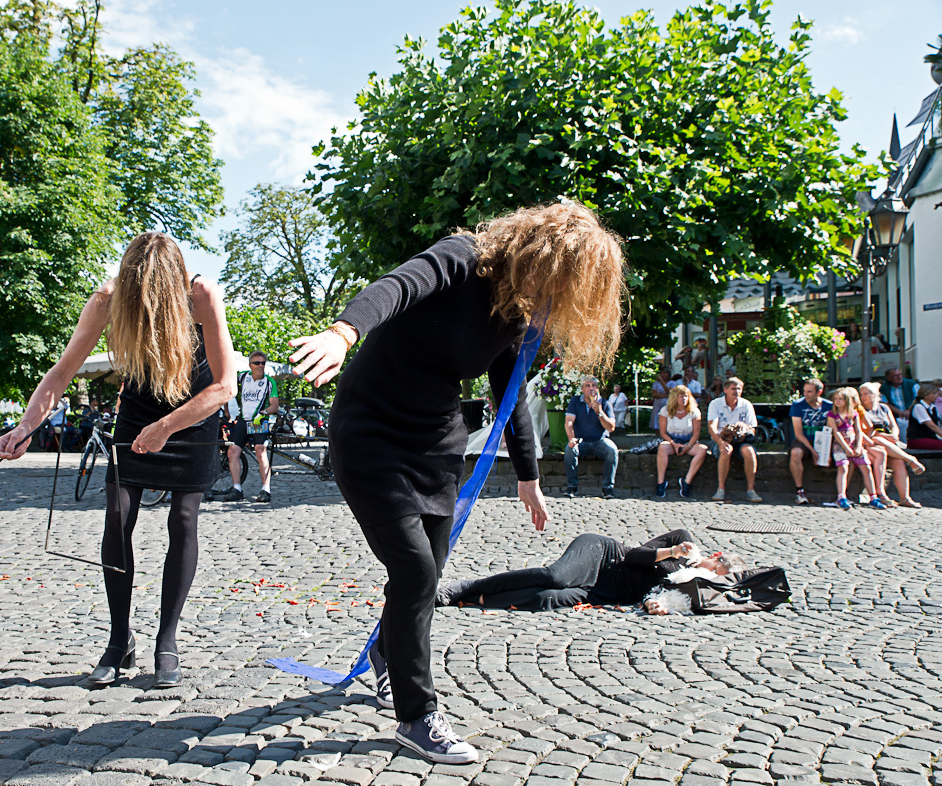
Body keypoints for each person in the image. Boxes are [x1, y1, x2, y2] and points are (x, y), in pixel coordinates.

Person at [288, 202, 625, 764]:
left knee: (427, 573)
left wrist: (528, 477)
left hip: (435, 447)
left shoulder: (515, 314)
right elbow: (396, 286)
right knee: (415, 570)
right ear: (543, 258)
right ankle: (417, 717)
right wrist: (344, 332)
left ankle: (389, 655)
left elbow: (510, 395)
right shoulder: (463, 257)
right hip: (371, 433)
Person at [0, 232, 236, 689]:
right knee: (117, 516)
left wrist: (168, 427)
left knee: (184, 519)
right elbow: (63, 371)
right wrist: (25, 426)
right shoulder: (107, 300)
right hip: (138, 412)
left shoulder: (201, 295)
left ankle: (167, 640)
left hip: (193, 413)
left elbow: (225, 386)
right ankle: (118, 638)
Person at [435, 528, 744, 612]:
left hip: (604, 593)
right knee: (555, 577)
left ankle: (470, 600)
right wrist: (674, 553)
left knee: (545, 599)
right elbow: (634, 556)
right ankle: (466, 586)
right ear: (715, 556)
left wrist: (657, 604)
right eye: (715, 569)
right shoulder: (684, 542)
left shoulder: (694, 587)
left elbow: (656, 597)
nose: (710, 576)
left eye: (716, 578)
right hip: (603, 556)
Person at [222, 350, 280, 503]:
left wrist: (263, 413)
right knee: (232, 452)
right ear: (250, 365)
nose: (260, 366)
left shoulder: (269, 382)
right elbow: (227, 389)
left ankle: (266, 490)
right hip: (243, 421)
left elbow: (274, 406)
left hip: (258, 422)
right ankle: (237, 489)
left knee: (260, 451)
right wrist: (227, 410)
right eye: (257, 363)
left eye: (263, 363)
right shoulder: (242, 377)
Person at [858, 382, 926, 508]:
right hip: (871, 443)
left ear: (874, 394)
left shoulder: (884, 408)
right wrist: (885, 437)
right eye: (861, 394)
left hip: (888, 443)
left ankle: (905, 498)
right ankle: (910, 459)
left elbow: (893, 425)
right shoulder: (861, 410)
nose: (863, 397)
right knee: (880, 440)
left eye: (866, 393)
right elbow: (866, 431)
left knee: (899, 463)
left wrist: (894, 435)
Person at [827, 387, 885, 510]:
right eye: (835, 399)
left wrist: (858, 446)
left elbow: (858, 430)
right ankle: (841, 496)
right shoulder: (832, 415)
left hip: (854, 443)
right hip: (840, 445)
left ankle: (873, 497)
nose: (837, 401)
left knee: (866, 468)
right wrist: (846, 448)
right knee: (843, 467)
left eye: (840, 399)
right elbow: (835, 432)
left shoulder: (853, 414)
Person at [563, 376, 619, 498]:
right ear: (582, 389)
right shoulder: (575, 401)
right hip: (581, 440)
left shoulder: (605, 403)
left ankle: (608, 488)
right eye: (587, 386)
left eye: (594, 386)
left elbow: (611, 428)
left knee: (612, 450)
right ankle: (572, 486)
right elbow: (569, 421)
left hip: (600, 440)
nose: (591, 388)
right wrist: (571, 438)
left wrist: (600, 413)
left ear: (598, 388)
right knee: (569, 449)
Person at [707, 377, 761, 502]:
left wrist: (743, 427)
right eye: (733, 388)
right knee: (726, 450)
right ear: (725, 390)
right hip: (721, 437)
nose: (736, 391)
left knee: (750, 451)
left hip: (740, 439)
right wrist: (721, 442)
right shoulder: (716, 404)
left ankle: (751, 490)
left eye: (739, 389)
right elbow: (711, 427)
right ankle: (721, 489)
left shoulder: (746, 404)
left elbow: (752, 428)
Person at [655, 385, 709, 498]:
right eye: (681, 396)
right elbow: (663, 433)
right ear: (674, 397)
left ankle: (687, 482)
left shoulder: (694, 412)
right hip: (671, 442)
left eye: (686, 396)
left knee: (703, 449)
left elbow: (696, 433)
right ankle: (660, 482)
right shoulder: (665, 411)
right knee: (662, 447)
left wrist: (688, 446)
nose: (684, 399)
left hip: (689, 442)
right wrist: (674, 444)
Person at [788, 378, 832, 505]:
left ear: (819, 392)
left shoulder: (829, 406)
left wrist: (826, 451)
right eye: (804, 391)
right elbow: (798, 433)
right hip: (804, 439)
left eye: (809, 392)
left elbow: (830, 429)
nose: (806, 394)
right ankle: (799, 490)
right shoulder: (798, 405)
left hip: (824, 439)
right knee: (795, 453)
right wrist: (813, 451)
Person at [882, 367, 920, 436]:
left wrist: (909, 410)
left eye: (900, 374)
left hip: (913, 414)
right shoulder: (884, 388)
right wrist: (899, 412)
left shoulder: (911, 384)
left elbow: (919, 398)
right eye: (895, 376)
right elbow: (884, 403)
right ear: (889, 378)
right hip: (896, 417)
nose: (899, 377)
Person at [907, 384, 942, 450]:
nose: (936, 396)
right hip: (918, 439)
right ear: (926, 396)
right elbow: (931, 426)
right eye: (934, 394)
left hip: (931, 438)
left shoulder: (933, 408)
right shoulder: (919, 407)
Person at [649, 366, 677, 431]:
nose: (663, 375)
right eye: (662, 373)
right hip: (657, 406)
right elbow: (654, 394)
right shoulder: (656, 383)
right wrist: (665, 395)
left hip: (668, 405)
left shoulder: (673, 383)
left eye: (665, 373)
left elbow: (670, 392)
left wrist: (661, 381)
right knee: (657, 423)